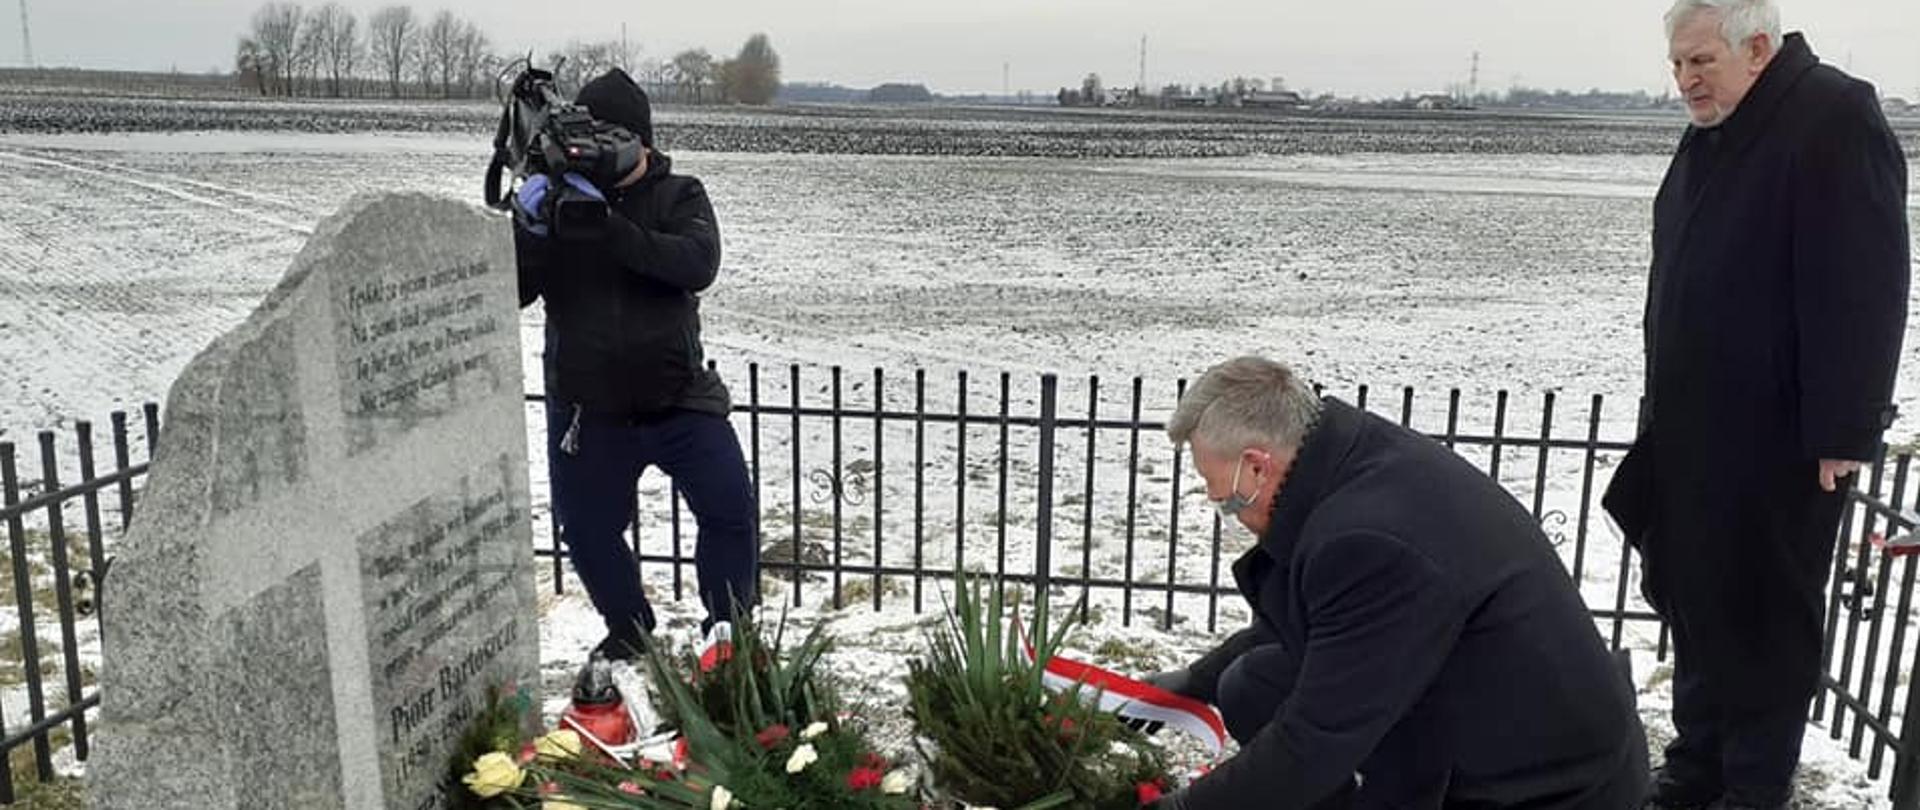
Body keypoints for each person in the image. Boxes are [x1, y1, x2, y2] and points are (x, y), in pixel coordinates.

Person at [1605, 2, 1911, 808]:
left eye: (1699, 61)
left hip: (1782, 439)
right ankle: (1698, 765)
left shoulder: (1833, 115)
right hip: (1693, 429)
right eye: (1676, 65)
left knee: (1766, 620)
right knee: (1698, 603)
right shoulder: (1721, 124)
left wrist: (1843, 428)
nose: (1684, 82)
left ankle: (1750, 785)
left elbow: (1866, 283)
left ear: (1759, 48)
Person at [1144, 356, 1647, 809]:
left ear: (1256, 466)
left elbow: (1314, 740)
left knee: (1298, 738)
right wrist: (1196, 682)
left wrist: (1185, 808)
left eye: (1227, 502)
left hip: (1550, 786)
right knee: (1253, 681)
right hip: (1480, 711)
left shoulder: (1369, 540)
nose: (1233, 518)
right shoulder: (1349, 459)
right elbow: (1320, 626)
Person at [513, 68, 759, 659]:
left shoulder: (680, 194)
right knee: (589, 533)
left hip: (678, 396)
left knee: (730, 509)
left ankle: (726, 631)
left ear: (643, 141)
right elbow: (516, 291)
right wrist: (531, 231)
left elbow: (695, 263)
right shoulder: (557, 201)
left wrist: (609, 229)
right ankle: (629, 630)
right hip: (588, 409)